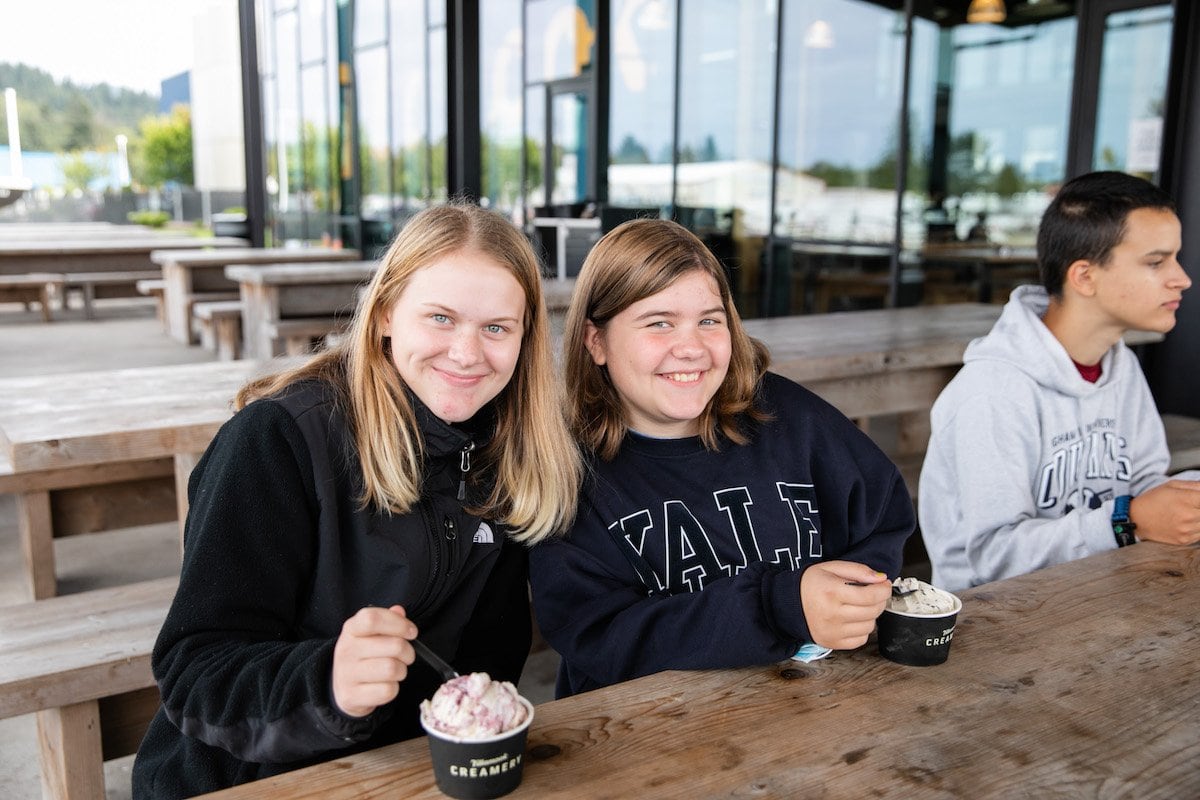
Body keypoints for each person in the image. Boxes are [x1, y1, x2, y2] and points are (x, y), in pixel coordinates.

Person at [132, 204, 582, 797]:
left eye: (497, 328)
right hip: (246, 776)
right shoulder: (277, 440)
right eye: (441, 318)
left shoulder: (510, 451)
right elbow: (195, 672)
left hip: (413, 771)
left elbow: (491, 654)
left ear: (525, 338)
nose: (467, 353)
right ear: (386, 313)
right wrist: (329, 683)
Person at [528, 219, 915, 698]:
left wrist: (852, 595)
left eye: (710, 321)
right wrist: (779, 608)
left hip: (811, 703)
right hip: (646, 725)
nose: (691, 348)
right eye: (659, 323)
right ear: (597, 341)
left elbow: (883, 512)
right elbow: (600, 635)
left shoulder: (788, 417)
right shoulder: (568, 473)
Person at [919, 171, 1200, 592]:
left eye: (1175, 258)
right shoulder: (991, 391)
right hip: (997, 617)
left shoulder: (1120, 365)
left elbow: (1144, 485)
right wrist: (1126, 521)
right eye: (1156, 262)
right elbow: (994, 558)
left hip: (1103, 589)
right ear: (1084, 276)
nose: (1182, 278)